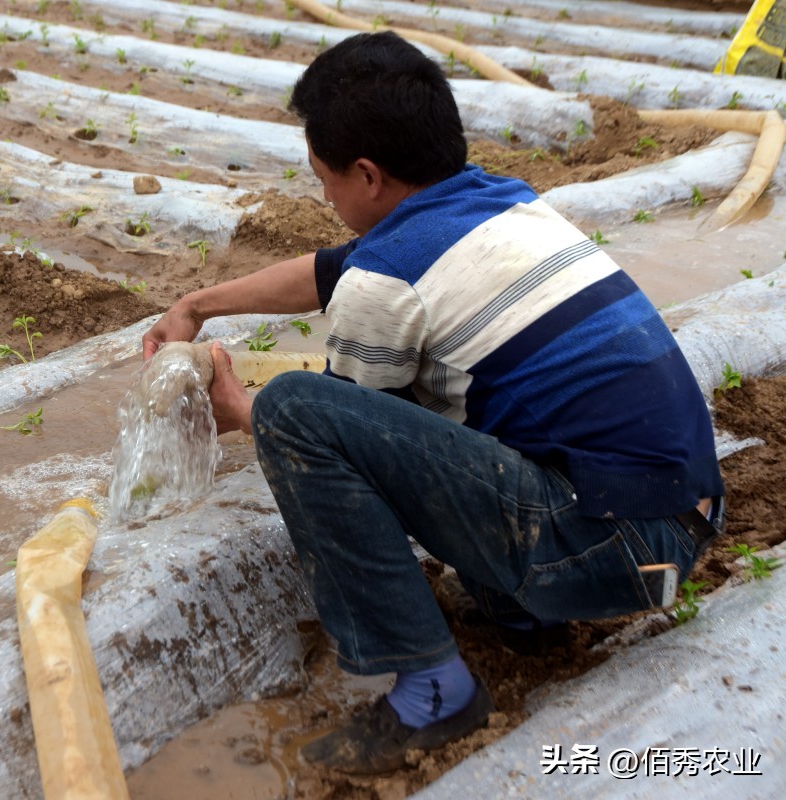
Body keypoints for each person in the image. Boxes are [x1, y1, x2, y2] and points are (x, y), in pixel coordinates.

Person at [142, 31, 726, 775]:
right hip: (680, 525)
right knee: (464, 400)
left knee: (296, 408)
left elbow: (341, 440)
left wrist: (243, 410)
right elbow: (335, 270)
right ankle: (520, 613)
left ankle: (433, 692)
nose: (324, 197)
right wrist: (200, 303)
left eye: (324, 180)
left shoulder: (385, 282)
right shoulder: (497, 203)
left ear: (366, 175)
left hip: (626, 554)